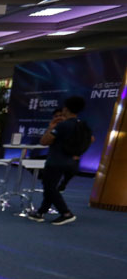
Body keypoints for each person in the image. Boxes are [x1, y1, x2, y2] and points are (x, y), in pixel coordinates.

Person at [28, 96, 91, 226]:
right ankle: (41, 212)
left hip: (56, 161)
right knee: (51, 187)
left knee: (50, 188)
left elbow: (44, 141)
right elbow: (91, 139)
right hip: (71, 162)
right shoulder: (82, 125)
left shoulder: (63, 125)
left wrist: (51, 127)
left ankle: (65, 213)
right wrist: (77, 152)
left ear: (66, 109)